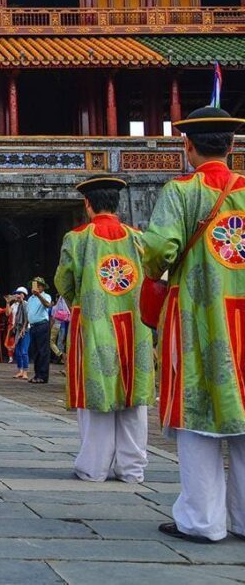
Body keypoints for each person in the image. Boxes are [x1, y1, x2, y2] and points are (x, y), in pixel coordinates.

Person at [141, 106, 245, 544]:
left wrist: (153, 268)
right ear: (233, 146)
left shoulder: (182, 190)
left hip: (201, 313)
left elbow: (161, 248)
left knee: (197, 412)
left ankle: (202, 520)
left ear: (188, 146)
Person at [54, 175, 154, 484]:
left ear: (88, 204)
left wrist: (81, 301)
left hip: (94, 322)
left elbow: (64, 281)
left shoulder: (78, 238)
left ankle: (94, 467)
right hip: (136, 324)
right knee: (134, 397)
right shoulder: (139, 238)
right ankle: (132, 468)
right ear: (117, 203)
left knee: (96, 395)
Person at [24, 277, 53, 384]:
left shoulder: (46, 296)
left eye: (38, 285)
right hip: (33, 326)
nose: (36, 288)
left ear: (42, 287)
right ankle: (37, 374)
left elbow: (47, 305)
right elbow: (29, 314)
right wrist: (24, 327)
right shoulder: (30, 299)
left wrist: (39, 295)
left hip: (42, 325)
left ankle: (43, 375)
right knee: (35, 351)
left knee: (43, 351)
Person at [10, 287, 30, 378]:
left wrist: (23, 329)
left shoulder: (26, 304)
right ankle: (20, 370)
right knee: (18, 351)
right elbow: (10, 314)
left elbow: (27, 318)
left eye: (19, 294)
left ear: (23, 295)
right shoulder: (16, 305)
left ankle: (25, 371)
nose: (17, 295)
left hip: (25, 330)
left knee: (24, 351)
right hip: (17, 330)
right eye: (16, 294)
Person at [49, 295, 70, 365]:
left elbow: (52, 320)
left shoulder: (54, 308)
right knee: (61, 344)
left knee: (51, 341)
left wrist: (50, 328)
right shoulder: (67, 309)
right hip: (64, 326)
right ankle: (63, 360)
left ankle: (61, 355)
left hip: (56, 325)